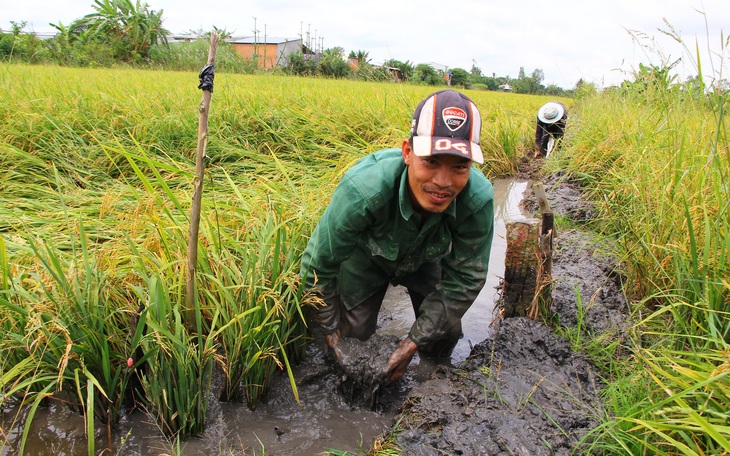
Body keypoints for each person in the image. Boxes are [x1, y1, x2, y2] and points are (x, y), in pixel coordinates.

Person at [300, 89, 494, 386]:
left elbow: (466, 278)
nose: (443, 182)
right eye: (430, 161)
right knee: (353, 343)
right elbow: (318, 266)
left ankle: (434, 386)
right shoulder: (363, 190)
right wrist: (331, 336)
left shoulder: (477, 200)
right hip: (367, 257)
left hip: (428, 256)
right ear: (407, 152)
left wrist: (411, 344)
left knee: (444, 334)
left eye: (459, 167)